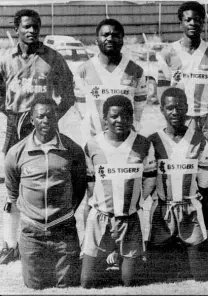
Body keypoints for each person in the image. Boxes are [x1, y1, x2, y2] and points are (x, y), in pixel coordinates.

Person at [0, 9, 76, 265]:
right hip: (15, 125)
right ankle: (10, 244)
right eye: (27, 27)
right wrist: (9, 114)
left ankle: (45, 238)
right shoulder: (5, 58)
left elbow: (68, 92)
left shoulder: (52, 57)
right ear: (16, 28)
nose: (32, 31)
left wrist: (53, 116)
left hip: (44, 127)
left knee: (45, 181)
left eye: (36, 27)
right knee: (12, 189)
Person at [3, 96, 86, 289]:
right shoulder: (16, 152)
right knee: (34, 285)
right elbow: (13, 192)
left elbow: (79, 187)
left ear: (57, 117)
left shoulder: (73, 149)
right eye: (41, 116)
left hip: (63, 229)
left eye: (51, 115)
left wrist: (64, 212)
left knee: (67, 283)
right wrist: (33, 214)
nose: (46, 120)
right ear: (32, 119)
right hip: (32, 231)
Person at [80, 95, 156, 288]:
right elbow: (90, 183)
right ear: (105, 118)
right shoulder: (92, 145)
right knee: (87, 282)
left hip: (129, 220)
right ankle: (105, 256)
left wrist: (136, 201)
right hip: (100, 219)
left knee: (129, 281)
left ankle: (124, 258)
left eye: (125, 116)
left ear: (132, 118)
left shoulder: (143, 144)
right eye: (114, 116)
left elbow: (150, 179)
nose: (120, 121)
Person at [145, 87, 208, 281]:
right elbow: (148, 179)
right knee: (156, 274)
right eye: (170, 108)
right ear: (162, 110)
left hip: (190, 208)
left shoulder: (198, 139)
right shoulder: (153, 140)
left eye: (180, 107)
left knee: (200, 274)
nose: (175, 112)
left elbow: (204, 182)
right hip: (163, 209)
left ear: (187, 108)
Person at [74, 18, 147, 147]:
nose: (110, 38)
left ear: (122, 40)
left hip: (125, 142)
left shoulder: (136, 71)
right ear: (96, 40)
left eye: (115, 35)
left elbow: (138, 109)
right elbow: (81, 111)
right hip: (94, 142)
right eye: (105, 35)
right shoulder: (83, 71)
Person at [156, 1, 208, 139]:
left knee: (206, 159)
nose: (192, 23)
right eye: (188, 20)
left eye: (197, 20)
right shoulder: (168, 53)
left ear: (203, 23)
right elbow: (162, 89)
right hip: (179, 121)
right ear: (181, 23)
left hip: (205, 120)